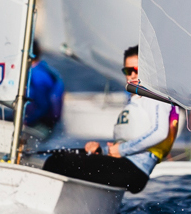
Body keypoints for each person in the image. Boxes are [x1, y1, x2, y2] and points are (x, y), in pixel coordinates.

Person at [40, 46, 176, 193]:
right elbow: (120, 147)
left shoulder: (155, 97)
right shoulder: (134, 101)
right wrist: (101, 150)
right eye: (128, 71)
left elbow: (160, 132)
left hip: (135, 170)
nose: (133, 75)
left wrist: (121, 149)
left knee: (57, 162)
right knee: (59, 157)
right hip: (124, 165)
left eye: (138, 70)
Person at [23, 43, 64, 131]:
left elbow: (42, 107)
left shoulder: (38, 75)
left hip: (41, 124)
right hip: (39, 120)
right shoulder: (41, 69)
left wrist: (26, 121)